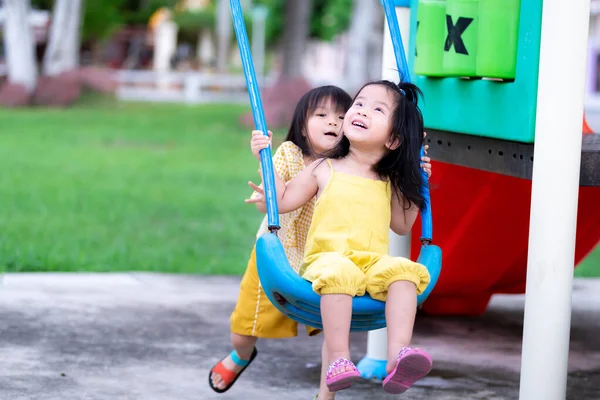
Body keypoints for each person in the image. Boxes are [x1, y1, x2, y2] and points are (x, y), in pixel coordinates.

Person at [248, 80, 433, 395]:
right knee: (340, 273)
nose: (361, 110)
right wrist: (265, 160)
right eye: (359, 103)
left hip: (372, 263)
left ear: (393, 140)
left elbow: (402, 225)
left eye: (377, 109)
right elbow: (286, 200)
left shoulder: (389, 181)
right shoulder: (324, 167)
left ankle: (398, 355)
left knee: (405, 272)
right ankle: (339, 358)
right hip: (327, 261)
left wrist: (417, 178)